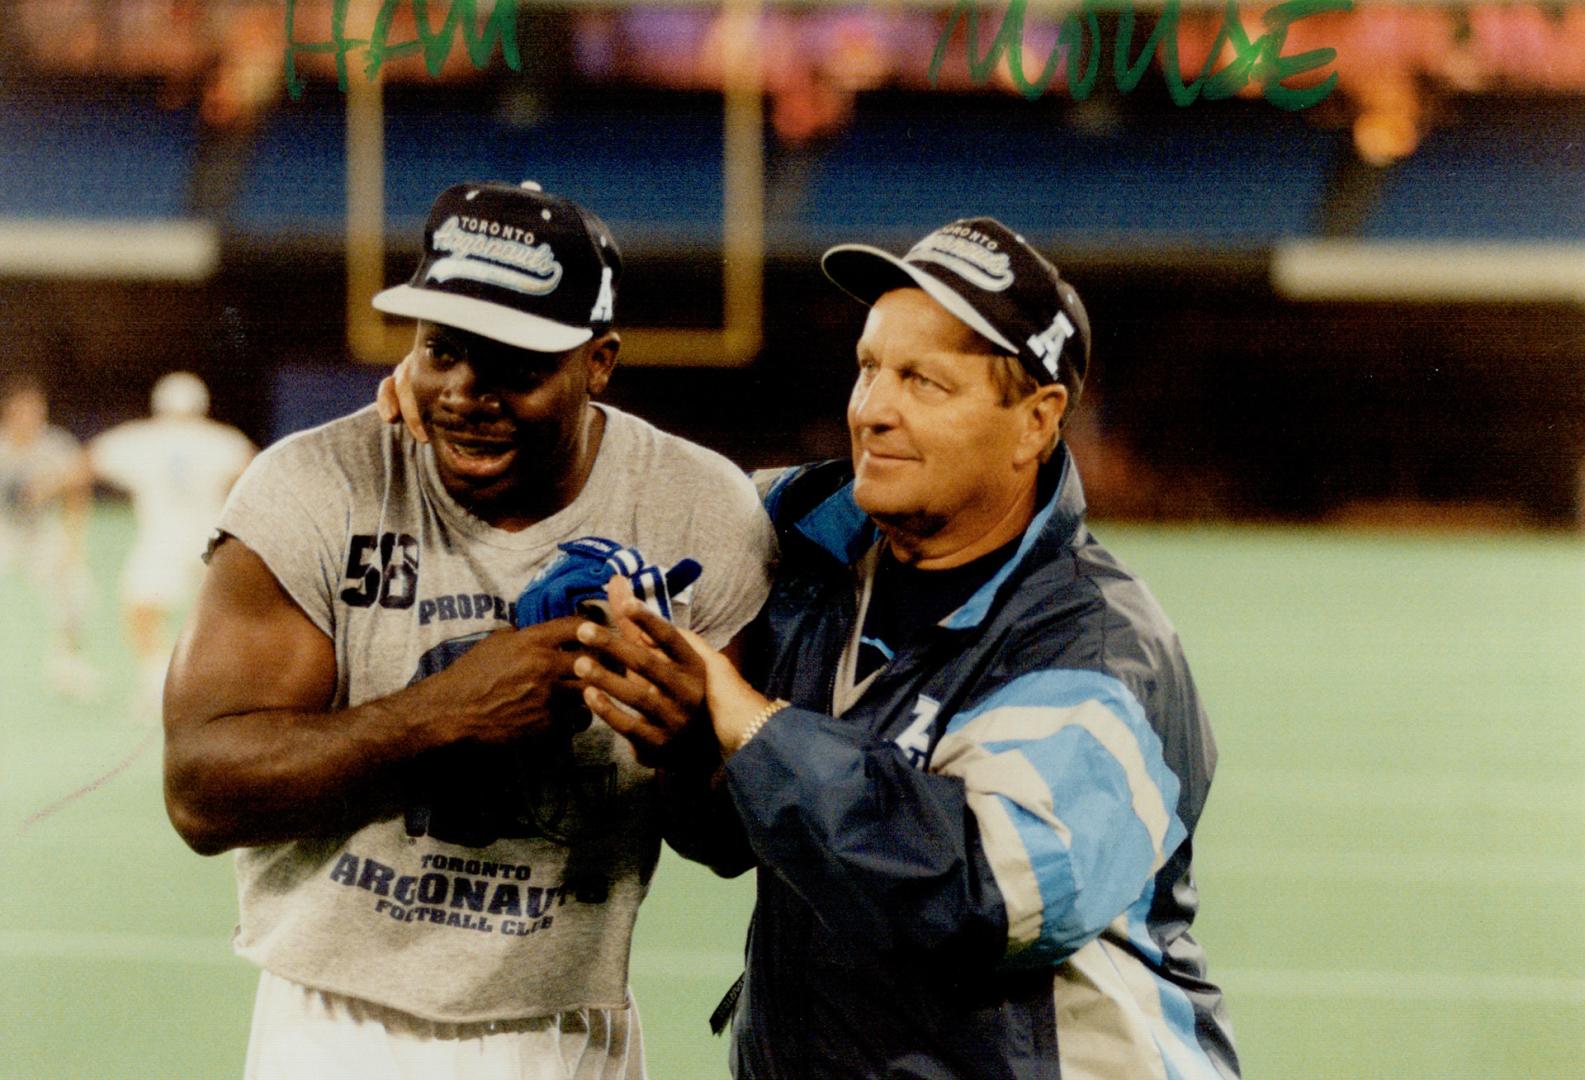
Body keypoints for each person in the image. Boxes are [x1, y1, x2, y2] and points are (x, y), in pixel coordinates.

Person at [574, 218, 1241, 1078]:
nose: (873, 409)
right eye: (869, 368)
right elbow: (588, 508)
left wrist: (748, 723)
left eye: (924, 382)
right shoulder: (801, 544)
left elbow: (979, 897)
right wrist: (421, 422)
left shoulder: (1100, 651)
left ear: (1036, 422)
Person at [162, 180, 776, 1079]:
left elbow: (725, 844)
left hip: (565, 1027)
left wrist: (682, 738)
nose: (464, 392)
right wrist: (443, 712)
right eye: (441, 351)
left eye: (514, 364)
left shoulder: (696, 508)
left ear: (597, 361)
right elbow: (202, 794)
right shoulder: (313, 484)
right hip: (333, 1027)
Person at [88, 371, 256, 716]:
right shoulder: (220, 439)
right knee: (222, 617)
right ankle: (227, 689)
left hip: (162, 539)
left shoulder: (143, 439)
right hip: (211, 537)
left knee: (141, 611)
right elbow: (255, 467)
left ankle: (157, 685)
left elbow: (90, 459)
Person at [0, 374, 97, 697]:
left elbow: (77, 489)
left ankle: (67, 664)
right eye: (23, 410)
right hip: (3, 531)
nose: (31, 416)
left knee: (76, 588)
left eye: (36, 409)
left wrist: (73, 542)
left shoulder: (55, 444)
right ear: (9, 411)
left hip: (41, 532)